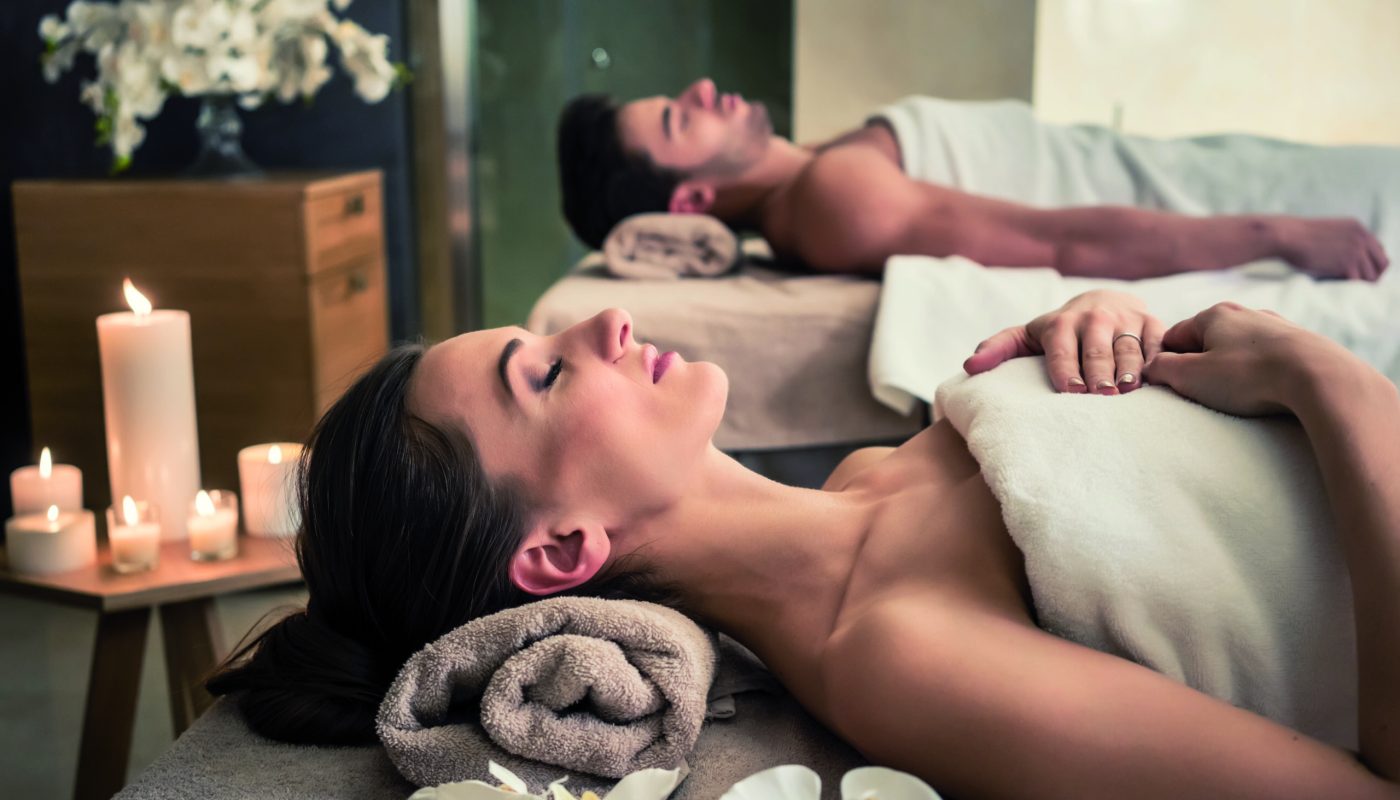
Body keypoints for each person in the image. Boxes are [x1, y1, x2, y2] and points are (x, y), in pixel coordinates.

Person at [206, 297, 1400, 797]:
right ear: (563, 548)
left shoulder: (871, 474)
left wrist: (1109, 332)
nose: (607, 320)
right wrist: (1328, 382)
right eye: (549, 373)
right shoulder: (893, 653)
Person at [557, 78, 1394, 282]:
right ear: (693, 200)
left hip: (1202, 171)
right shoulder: (834, 202)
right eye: (681, 120)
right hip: (1240, 210)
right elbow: (1060, 243)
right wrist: (1278, 233)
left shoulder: (815, 165)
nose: (704, 90)